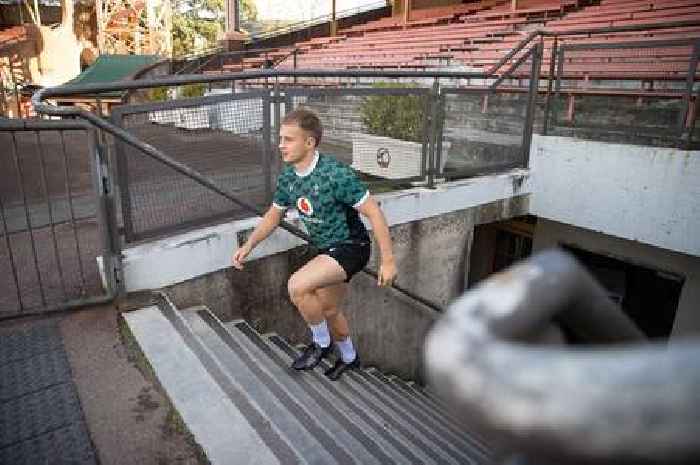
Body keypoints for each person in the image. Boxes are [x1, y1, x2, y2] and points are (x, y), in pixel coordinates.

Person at [232, 108, 397, 381]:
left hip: (351, 246)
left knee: (297, 286)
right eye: (281, 138)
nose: (281, 145)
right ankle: (350, 358)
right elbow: (274, 215)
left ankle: (321, 345)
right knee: (330, 310)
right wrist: (249, 245)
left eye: (289, 139)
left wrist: (388, 261)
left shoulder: (335, 174)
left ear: (309, 142)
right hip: (327, 248)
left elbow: (374, 212)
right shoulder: (288, 177)